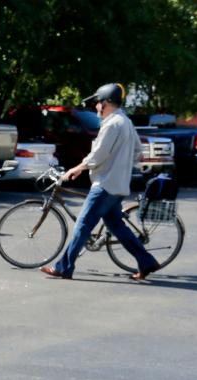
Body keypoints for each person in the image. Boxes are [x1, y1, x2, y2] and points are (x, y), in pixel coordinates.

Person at [40, 83, 160, 281]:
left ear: (106, 102)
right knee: (117, 227)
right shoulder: (126, 122)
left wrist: (77, 168)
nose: (96, 107)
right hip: (119, 185)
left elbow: (98, 154)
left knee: (83, 225)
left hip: (105, 185)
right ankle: (147, 262)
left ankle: (64, 267)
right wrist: (122, 166)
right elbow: (138, 150)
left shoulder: (113, 124)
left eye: (97, 103)